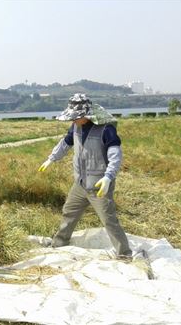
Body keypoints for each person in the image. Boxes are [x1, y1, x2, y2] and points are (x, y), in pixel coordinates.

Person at [38, 94, 132, 258]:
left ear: (86, 115)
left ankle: (124, 254)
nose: (73, 120)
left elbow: (115, 154)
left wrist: (109, 177)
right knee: (69, 212)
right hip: (80, 183)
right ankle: (59, 243)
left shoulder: (106, 129)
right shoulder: (75, 127)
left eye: (76, 117)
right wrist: (51, 159)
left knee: (109, 220)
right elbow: (66, 143)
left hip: (99, 185)